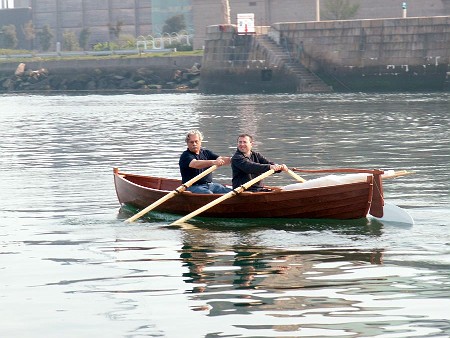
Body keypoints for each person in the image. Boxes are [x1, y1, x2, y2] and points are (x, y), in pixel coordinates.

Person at [179, 130, 232, 194]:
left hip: (210, 185)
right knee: (208, 193)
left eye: (196, 141)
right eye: (191, 142)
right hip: (192, 187)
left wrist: (233, 159)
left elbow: (221, 159)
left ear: (200, 141)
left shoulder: (206, 153)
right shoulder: (185, 156)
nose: (194, 144)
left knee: (230, 191)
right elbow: (195, 164)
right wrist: (213, 162)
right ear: (187, 143)